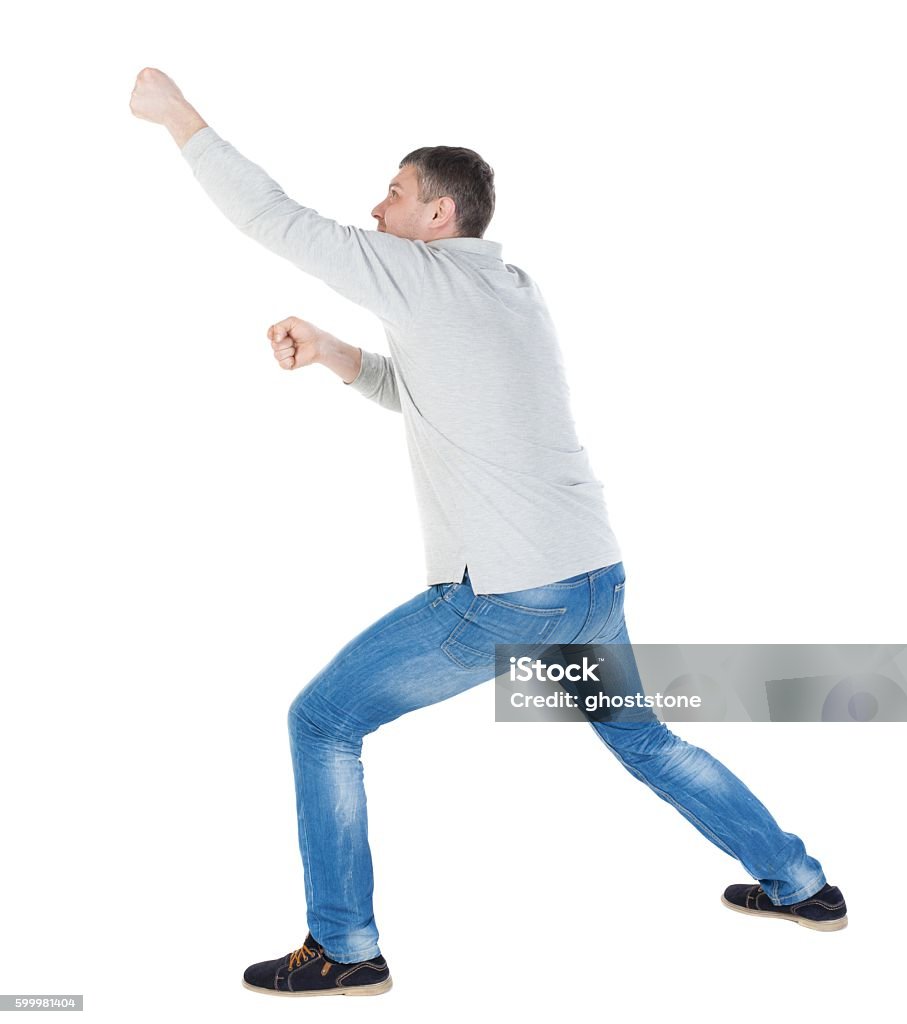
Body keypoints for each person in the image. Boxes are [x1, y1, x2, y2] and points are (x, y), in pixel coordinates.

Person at [129, 67, 848, 997]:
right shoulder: (506, 288)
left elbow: (273, 218)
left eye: (394, 192)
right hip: (591, 578)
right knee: (646, 743)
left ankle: (345, 949)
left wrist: (180, 119)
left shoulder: (421, 276)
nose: (375, 206)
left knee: (322, 722)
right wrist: (338, 357)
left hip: (511, 596)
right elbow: (428, 398)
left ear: (438, 217)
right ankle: (800, 885)